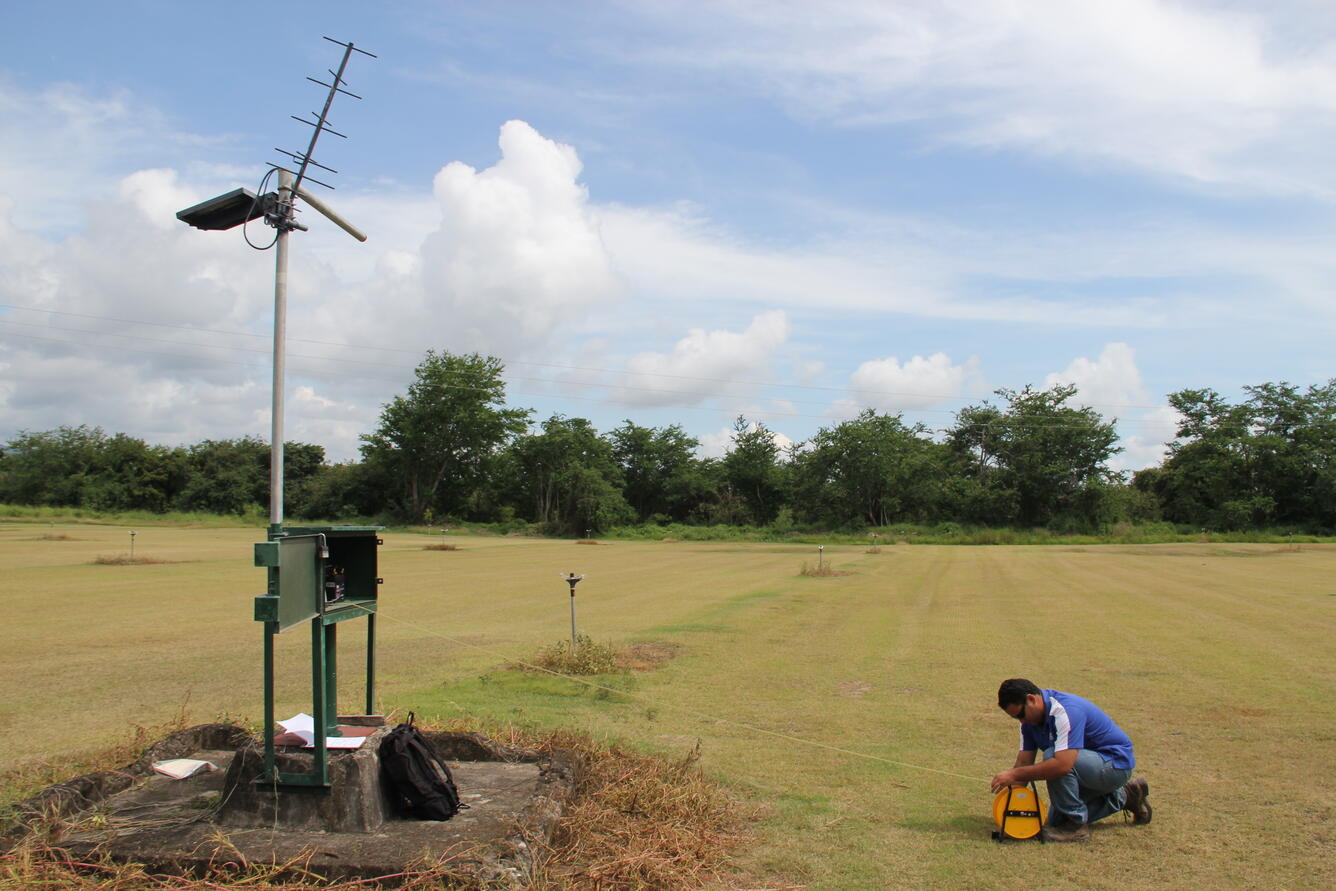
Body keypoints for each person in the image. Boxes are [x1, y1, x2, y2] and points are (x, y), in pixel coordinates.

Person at [990, 678, 1152, 842]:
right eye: (1016, 718)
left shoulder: (1064, 711)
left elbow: (1062, 765)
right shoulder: (1028, 722)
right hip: (1087, 767)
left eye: (1021, 715)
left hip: (1114, 764)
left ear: (1032, 699)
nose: (1022, 721)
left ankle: (1076, 827)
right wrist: (1009, 810)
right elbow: (1024, 763)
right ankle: (1126, 796)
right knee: (1056, 821)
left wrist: (1015, 774)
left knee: (1053, 757)